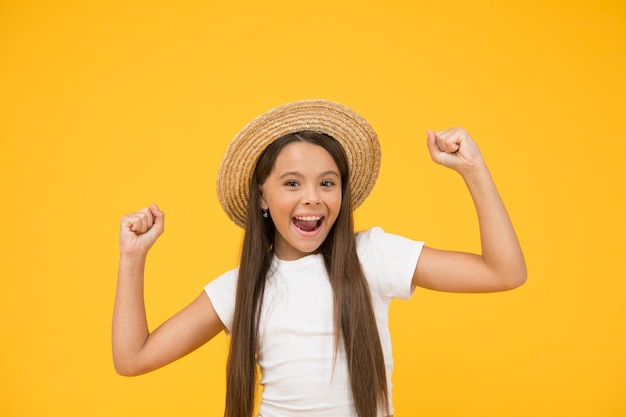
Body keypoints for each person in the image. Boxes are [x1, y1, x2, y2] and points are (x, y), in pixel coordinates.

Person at [112, 99, 526, 417]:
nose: (312, 196)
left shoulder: (374, 257)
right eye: (292, 183)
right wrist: (132, 258)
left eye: (327, 183)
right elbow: (132, 359)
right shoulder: (242, 288)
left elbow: (504, 272)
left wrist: (474, 170)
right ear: (262, 196)